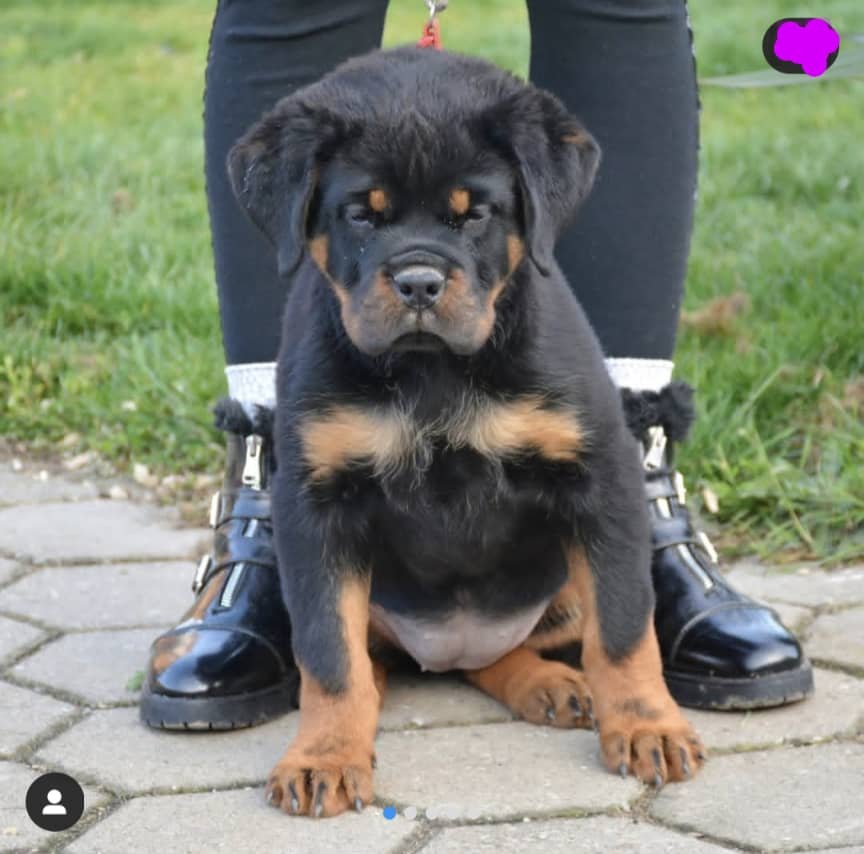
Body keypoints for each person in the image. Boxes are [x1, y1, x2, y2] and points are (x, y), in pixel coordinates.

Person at [140, 0, 813, 729]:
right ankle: (262, 522)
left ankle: (638, 495)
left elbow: (588, 486)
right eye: (366, 216)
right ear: (299, 211)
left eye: (473, 216)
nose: (420, 277)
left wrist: (632, 687)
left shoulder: (542, 341)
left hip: (538, 592)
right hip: (381, 594)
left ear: (536, 203)